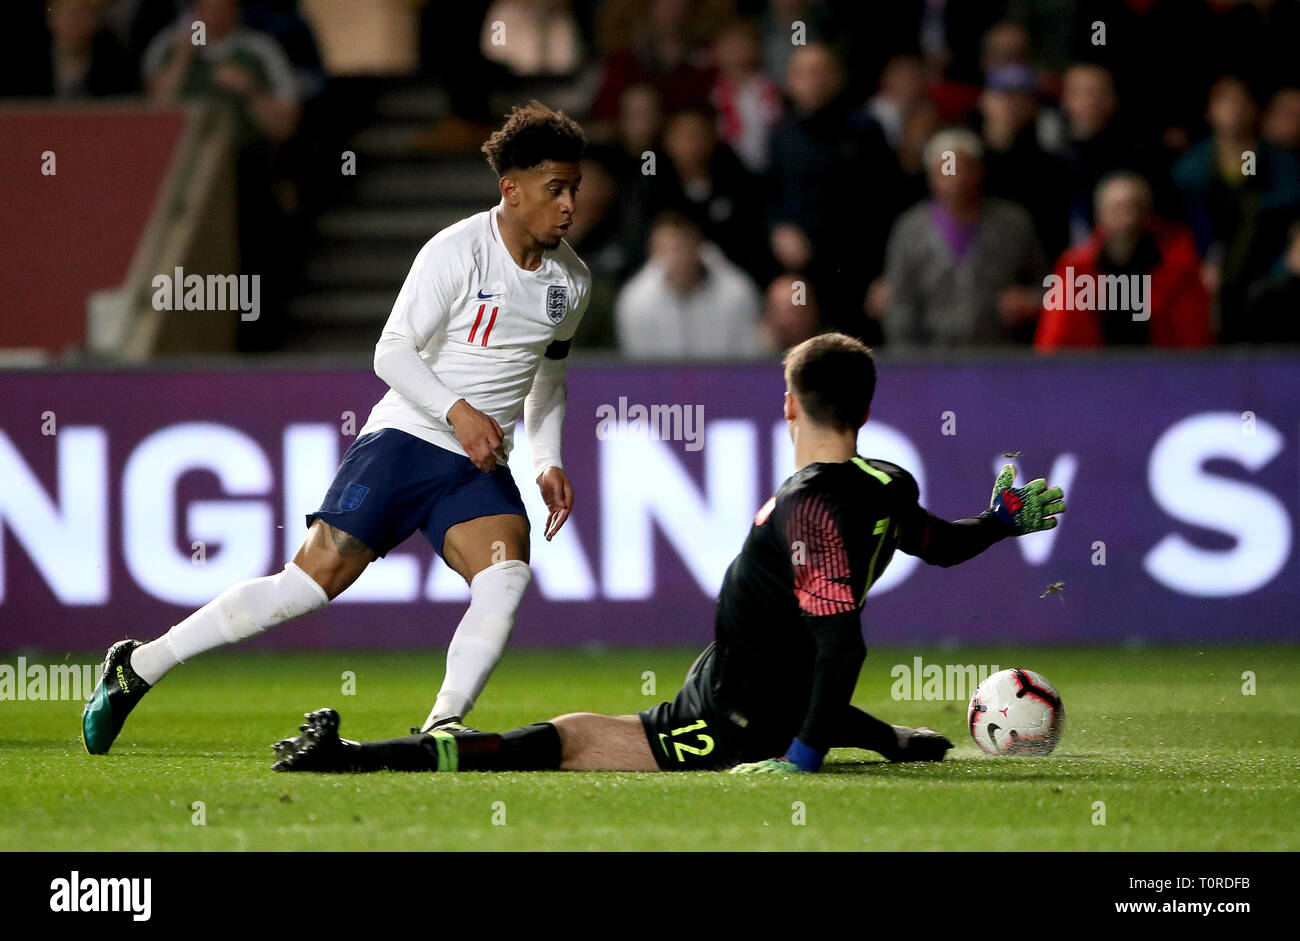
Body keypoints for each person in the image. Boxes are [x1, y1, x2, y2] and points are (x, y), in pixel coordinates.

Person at [270, 333, 1067, 775]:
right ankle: (891, 739)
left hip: (730, 718)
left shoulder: (809, 508)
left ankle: (359, 759)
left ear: (788, 404)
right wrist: (996, 522)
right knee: (776, 670)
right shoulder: (885, 480)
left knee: (566, 738)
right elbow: (938, 545)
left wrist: (799, 759)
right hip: (754, 684)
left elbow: (841, 641)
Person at [83, 102, 593, 753]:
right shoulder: (457, 251)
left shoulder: (571, 281)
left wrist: (546, 458)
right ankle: (139, 666)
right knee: (304, 587)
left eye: (575, 188)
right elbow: (392, 352)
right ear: (511, 189)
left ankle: (442, 723)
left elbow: (549, 378)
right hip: (408, 440)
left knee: (508, 575)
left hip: (475, 466)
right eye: (557, 189)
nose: (570, 204)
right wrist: (459, 411)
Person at [881, 128, 1047, 346]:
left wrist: (1029, 301)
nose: (955, 180)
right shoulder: (910, 229)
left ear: (979, 170)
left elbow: (1046, 286)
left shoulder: (1014, 224)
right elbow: (899, 304)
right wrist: (909, 361)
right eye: (945, 171)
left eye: (962, 169)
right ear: (931, 176)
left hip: (1001, 355)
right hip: (932, 357)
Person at [1036, 172, 1211, 350]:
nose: (1129, 218)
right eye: (1118, 208)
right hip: (1091, 373)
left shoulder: (1179, 269)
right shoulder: (1076, 271)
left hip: (1162, 371)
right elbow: (1054, 342)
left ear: (1148, 213)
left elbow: (1194, 343)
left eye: (1136, 207)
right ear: (1100, 215)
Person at [615, 211, 764, 359]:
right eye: (669, 250)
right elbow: (638, 368)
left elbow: (747, 359)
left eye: (683, 247)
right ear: (655, 254)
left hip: (728, 380)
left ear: (698, 249)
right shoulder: (635, 302)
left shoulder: (737, 294)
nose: (678, 258)